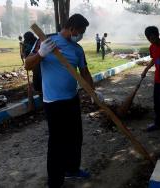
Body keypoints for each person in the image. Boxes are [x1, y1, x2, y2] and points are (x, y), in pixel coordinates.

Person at [25, 14, 98, 188]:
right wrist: (41, 53)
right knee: (57, 143)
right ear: (72, 28)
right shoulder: (46, 41)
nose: (81, 34)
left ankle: (72, 169)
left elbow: (84, 72)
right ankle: (55, 182)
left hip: (72, 99)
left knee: (75, 137)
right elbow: (27, 65)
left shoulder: (77, 49)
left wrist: (93, 92)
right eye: (81, 31)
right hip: (53, 103)